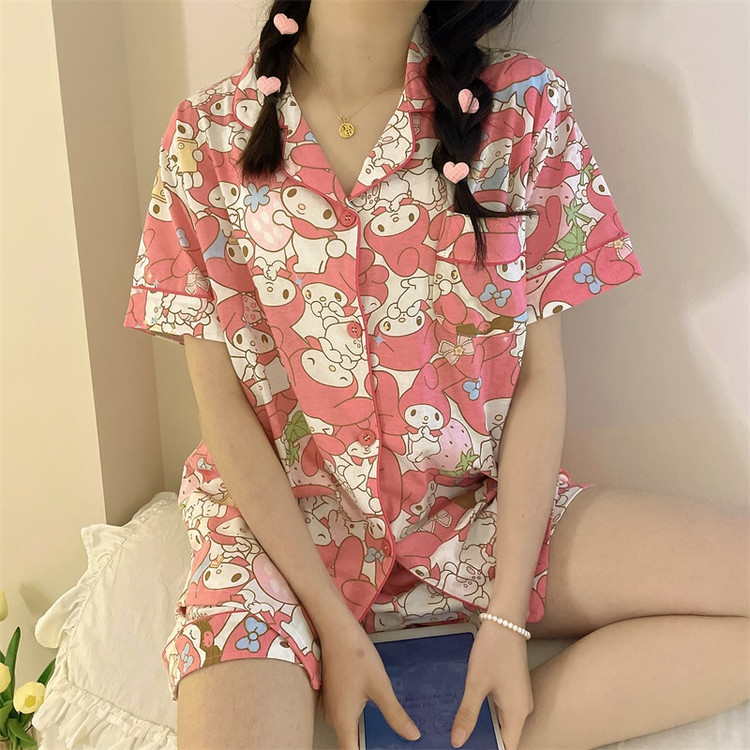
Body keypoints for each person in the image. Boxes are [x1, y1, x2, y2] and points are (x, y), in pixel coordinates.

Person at [122, 1, 749, 749]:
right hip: (275, 543)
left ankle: (485, 737)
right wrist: (332, 625)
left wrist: (507, 620)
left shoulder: (523, 109)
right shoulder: (205, 135)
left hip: (475, 513)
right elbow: (221, 408)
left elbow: (538, 380)